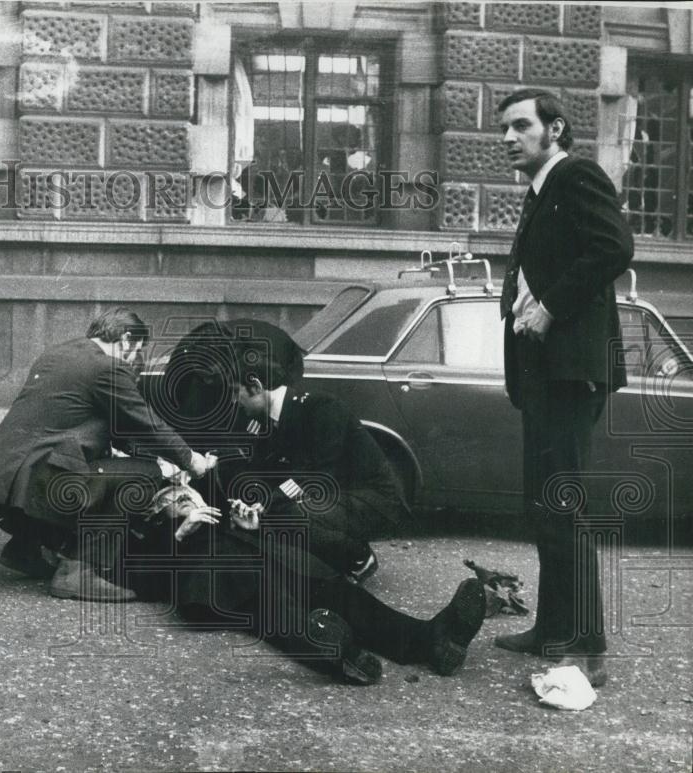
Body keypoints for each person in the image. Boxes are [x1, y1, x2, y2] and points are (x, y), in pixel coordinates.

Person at [131, 323, 486, 684]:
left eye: (182, 490)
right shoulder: (141, 492)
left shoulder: (211, 464)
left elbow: (261, 482)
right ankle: (337, 652)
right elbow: (135, 575)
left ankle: (430, 640)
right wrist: (178, 535)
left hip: (260, 550)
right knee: (274, 602)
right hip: (214, 575)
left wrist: (248, 516)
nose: (183, 494)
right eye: (173, 497)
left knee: (329, 588)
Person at [495, 88, 634, 687]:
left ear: (555, 129)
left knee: (563, 507)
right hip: (544, 374)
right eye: (504, 128)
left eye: (520, 126)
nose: (508, 138)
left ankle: (588, 650)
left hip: (571, 372)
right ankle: (553, 631)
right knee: (545, 507)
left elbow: (615, 248)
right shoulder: (542, 188)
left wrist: (550, 307)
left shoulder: (576, 175)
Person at [0, 307, 216, 602]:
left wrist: (159, 454)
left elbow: (109, 428)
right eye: (135, 352)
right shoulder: (107, 367)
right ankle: (78, 572)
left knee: (99, 473)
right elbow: (146, 422)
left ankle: (26, 549)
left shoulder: (58, 354)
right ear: (125, 339)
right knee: (144, 475)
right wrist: (191, 461)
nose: (133, 361)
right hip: (37, 489)